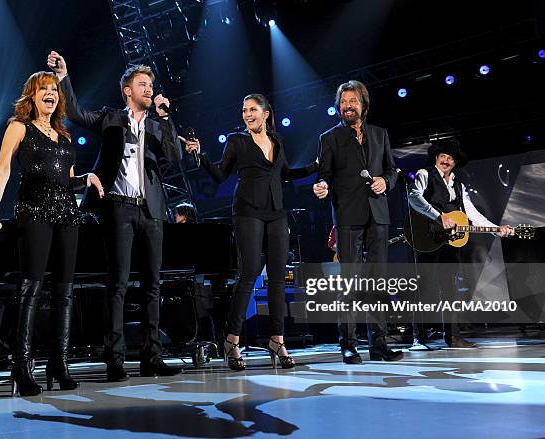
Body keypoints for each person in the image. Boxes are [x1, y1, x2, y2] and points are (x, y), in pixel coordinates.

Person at [47, 51, 183, 380]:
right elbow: (77, 113)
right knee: (118, 284)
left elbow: (175, 157)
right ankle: (115, 359)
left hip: (150, 211)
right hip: (118, 208)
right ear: (127, 90)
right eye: (143, 85)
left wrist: (165, 118)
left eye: (151, 85)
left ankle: (153, 357)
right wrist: (65, 78)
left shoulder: (156, 124)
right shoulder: (111, 119)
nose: (149, 90)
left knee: (153, 284)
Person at [0, 71, 104, 396]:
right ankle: (21, 366)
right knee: (31, 289)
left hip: (67, 215)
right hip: (34, 213)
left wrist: (86, 178)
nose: (50, 93)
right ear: (32, 96)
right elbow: (3, 169)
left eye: (54, 89)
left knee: (65, 292)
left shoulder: (63, 136)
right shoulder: (18, 127)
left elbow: (66, 180)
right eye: (44, 90)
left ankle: (58, 363)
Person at [183, 93, 317, 371]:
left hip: (276, 212)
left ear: (266, 113)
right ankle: (231, 340)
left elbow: (286, 175)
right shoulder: (237, 141)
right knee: (249, 274)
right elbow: (220, 175)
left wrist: (316, 167)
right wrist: (200, 155)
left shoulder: (277, 141)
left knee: (278, 277)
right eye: (244, 110)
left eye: (253, 109)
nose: (247, 114)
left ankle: (277, 340)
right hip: (247, 211)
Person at [314, 79, 403, 364]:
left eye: (352, 101)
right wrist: (322, 186)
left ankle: (379, 344)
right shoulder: (329, 138)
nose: (347, 106)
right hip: (347, 216)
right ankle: (348, 343)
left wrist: (384, 182)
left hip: (378, 215)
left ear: (363, 105)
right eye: (343, 102)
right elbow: (324, 174)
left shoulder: (380, 134)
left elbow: (392, 170)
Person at [408, 139, 514, 348]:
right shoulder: (424, 174)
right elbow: (413, 197)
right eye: (443, 156)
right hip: (427, 238)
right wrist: (439, 216)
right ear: (436, 158)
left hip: (450, 242)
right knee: (425, 287)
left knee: (450, 289)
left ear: (455, 163)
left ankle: (452, 336)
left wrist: (496, 230)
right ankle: (418, 338)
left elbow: (472, 214)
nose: (446, 160)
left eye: (450, 158)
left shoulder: (459, 185)